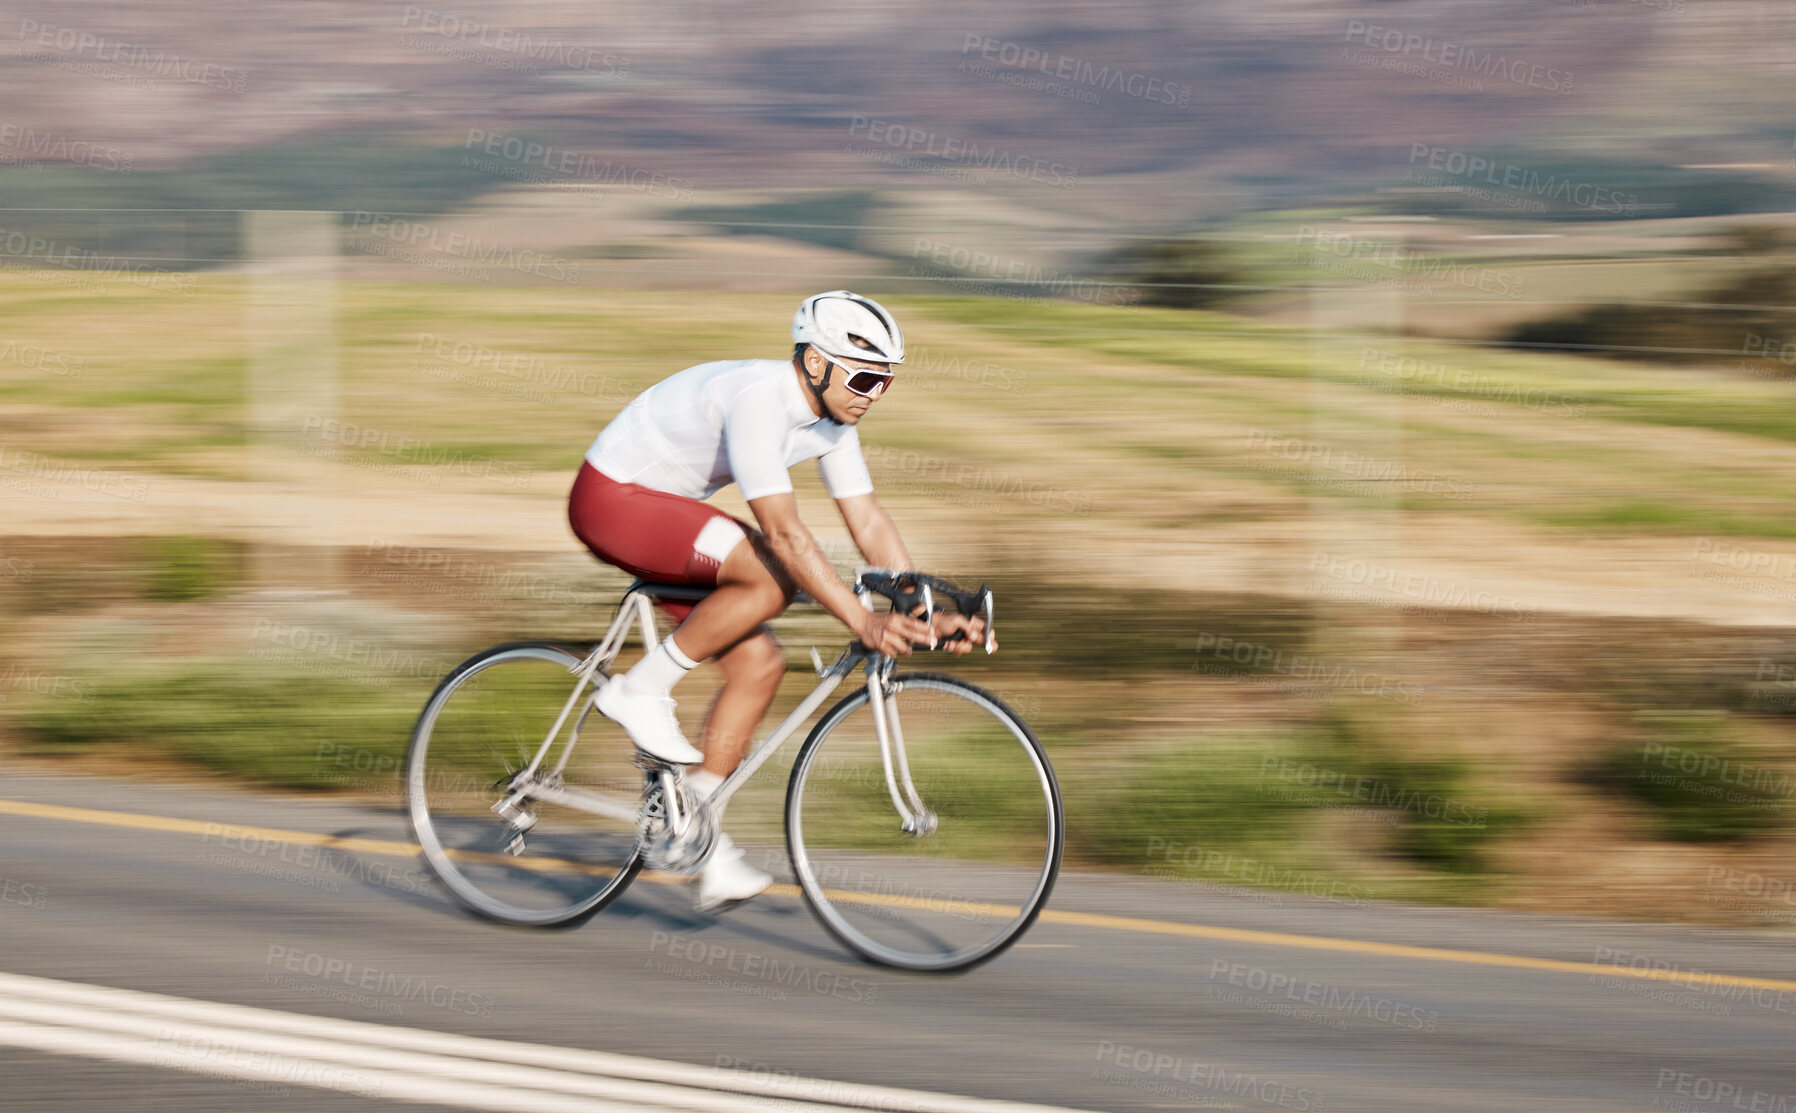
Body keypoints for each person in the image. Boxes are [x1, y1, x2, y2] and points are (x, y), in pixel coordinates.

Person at [566, 291, 989, 912]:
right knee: (772, 575)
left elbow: (866, 519)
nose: (873, 395)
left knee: (760, 665)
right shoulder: (761, 399)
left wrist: (921, 612)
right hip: (613, 501)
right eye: (866, 378)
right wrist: (860, 621)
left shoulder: (830, 424)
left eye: (885, 385)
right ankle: (636, 691)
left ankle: (693, 836)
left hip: (669, 515)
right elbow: (787, 534)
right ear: (816, 363)